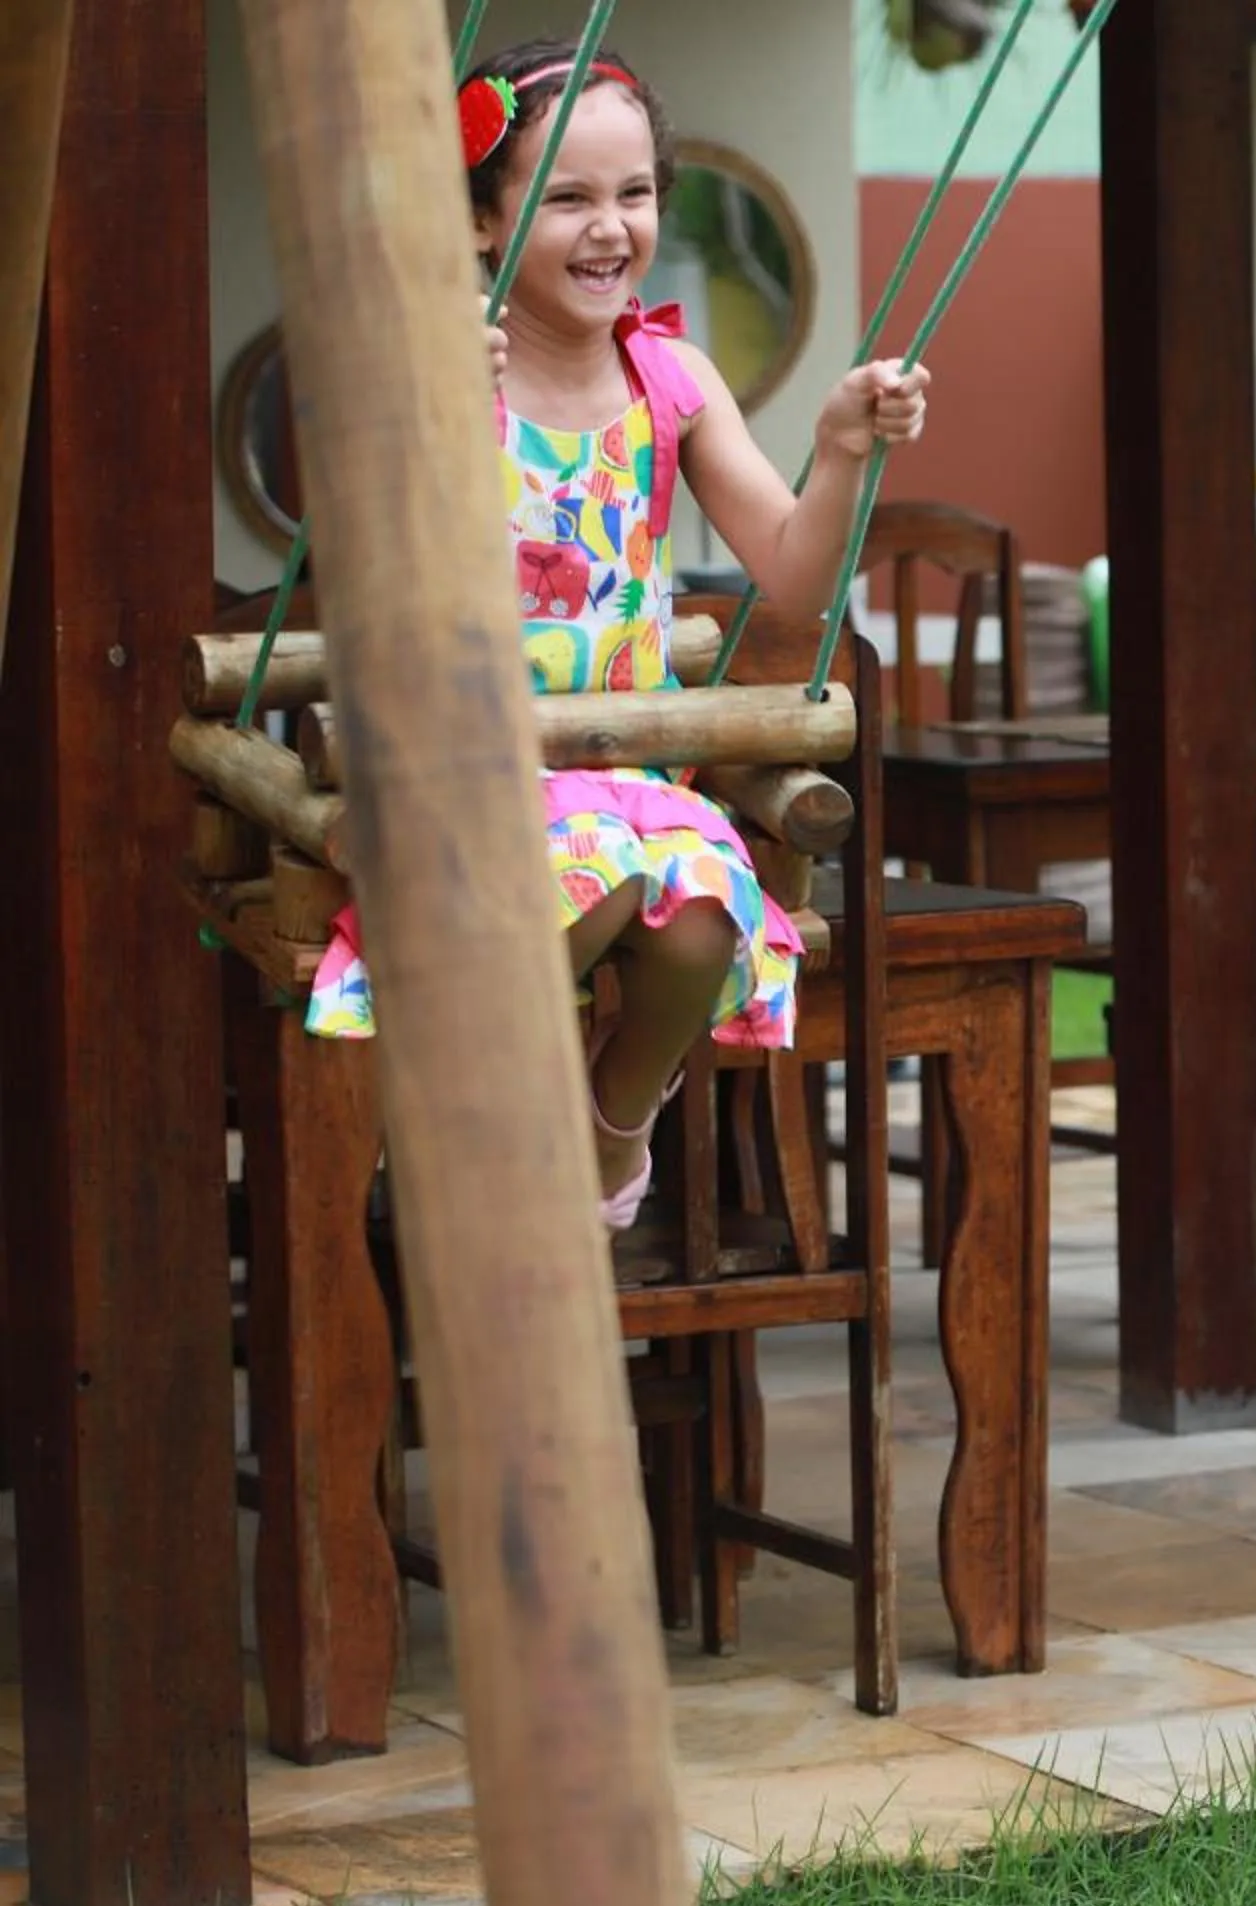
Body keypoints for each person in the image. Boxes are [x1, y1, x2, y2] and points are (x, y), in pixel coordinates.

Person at [302, 40, 931, 1230]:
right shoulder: (439, 375)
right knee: (578, 878)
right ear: (481, 224)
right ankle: (473, 1140)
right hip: (463, 773)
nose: (609, 228)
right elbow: (364, 568)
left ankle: (606, 1128)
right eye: (565, 197)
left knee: (698, 911)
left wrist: (846, 446)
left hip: (625, 774)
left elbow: (794, 574)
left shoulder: (671, 379)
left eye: (633, 193)